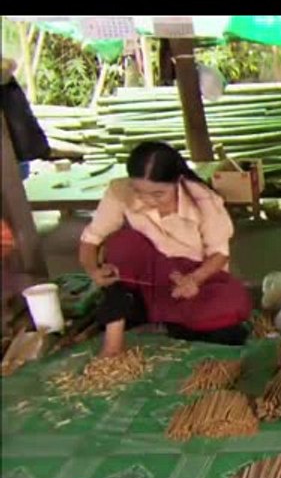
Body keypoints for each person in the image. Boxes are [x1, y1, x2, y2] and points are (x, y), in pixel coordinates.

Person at [79, 142, 253, 357]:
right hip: (150, 275)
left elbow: (219, 254)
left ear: (177, 181)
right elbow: (91, 239)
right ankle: (127, 332)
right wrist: (92, 270)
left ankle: (165, 318)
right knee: (123, 244)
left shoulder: (204, 200)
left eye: (158, 194)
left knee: (229, 305)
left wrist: (194, 279)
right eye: (139, 191)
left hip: (194, 278)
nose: (147, 200)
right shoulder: (120, 191)